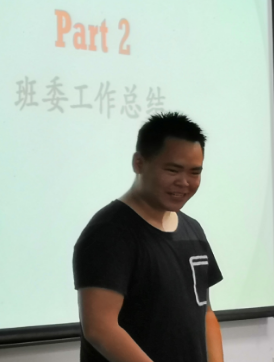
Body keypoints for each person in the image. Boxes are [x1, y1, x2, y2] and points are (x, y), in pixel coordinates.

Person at [73, 112, 224, 362]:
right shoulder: (109, 233)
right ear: (139, 163)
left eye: (194, 172)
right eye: (173, 170)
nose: (184, 182)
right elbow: (100, 329)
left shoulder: (193, 230)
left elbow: (205, 312)